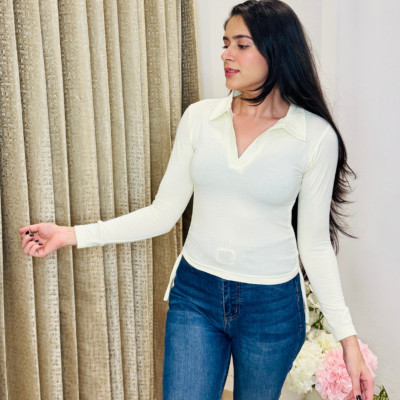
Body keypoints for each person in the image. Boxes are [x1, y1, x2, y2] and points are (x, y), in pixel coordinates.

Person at [19, 1, 374, 399]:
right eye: (225, 43)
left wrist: (348, 341)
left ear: (277, 51)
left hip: (271, 305)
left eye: (241, 44)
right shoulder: (199, 119)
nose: (226, 54)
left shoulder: (314, 137)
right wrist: (69, 234)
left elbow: (314, 244)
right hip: (196, 294)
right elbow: (162, 214)